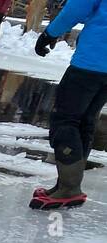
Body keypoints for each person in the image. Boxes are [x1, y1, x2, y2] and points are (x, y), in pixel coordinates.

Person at [31, 0, 107, 208]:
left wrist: (50, 33)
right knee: (85, 121)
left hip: (93, 59)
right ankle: (67, 184)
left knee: (65, 119)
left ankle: (69, 187)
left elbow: (77, 8)